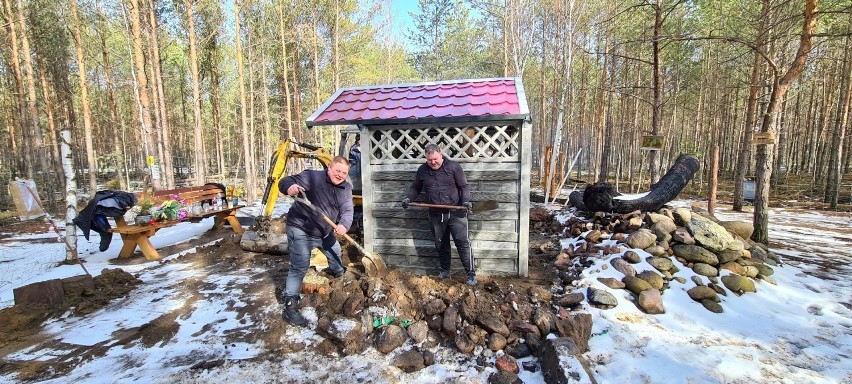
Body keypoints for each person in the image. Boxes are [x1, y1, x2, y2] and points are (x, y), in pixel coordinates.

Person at [278, 156, 354, 326]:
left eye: (344, 172)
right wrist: (289, 187)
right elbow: (285, 181)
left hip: (324, 231)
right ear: (329, 168)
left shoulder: (346, 189)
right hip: (300, 228)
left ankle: (339, 275)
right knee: (300, 265)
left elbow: (348, 210)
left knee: (334, 250)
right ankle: (290, 305)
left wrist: (343, 224)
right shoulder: (312, 177)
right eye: (337, 171)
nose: (340, 175)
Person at [401, 144, 476, 286]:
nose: (433, 162)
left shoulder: (453, 167)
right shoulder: (422, 170)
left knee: (462, 243)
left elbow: (464, 186)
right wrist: (408, 199)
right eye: (429, 160)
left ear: (441, 154)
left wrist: (465, 201)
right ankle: (445, 271)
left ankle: (471, 274)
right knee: (441, 244)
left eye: (435, 159)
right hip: (436, 214)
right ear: (426, 158)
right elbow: (416, 187)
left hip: (456, 212)